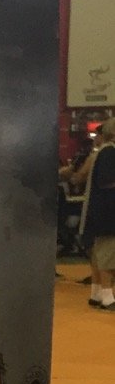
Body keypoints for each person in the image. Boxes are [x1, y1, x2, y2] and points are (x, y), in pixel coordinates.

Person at [80, 120, 115, 309]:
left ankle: (97, 293)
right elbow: (106, 181)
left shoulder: (102, 152)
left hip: (100, 211)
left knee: (99, 254)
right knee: (107, 255)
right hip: (108, 212)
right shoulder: (109, 152)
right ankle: (107, 297)